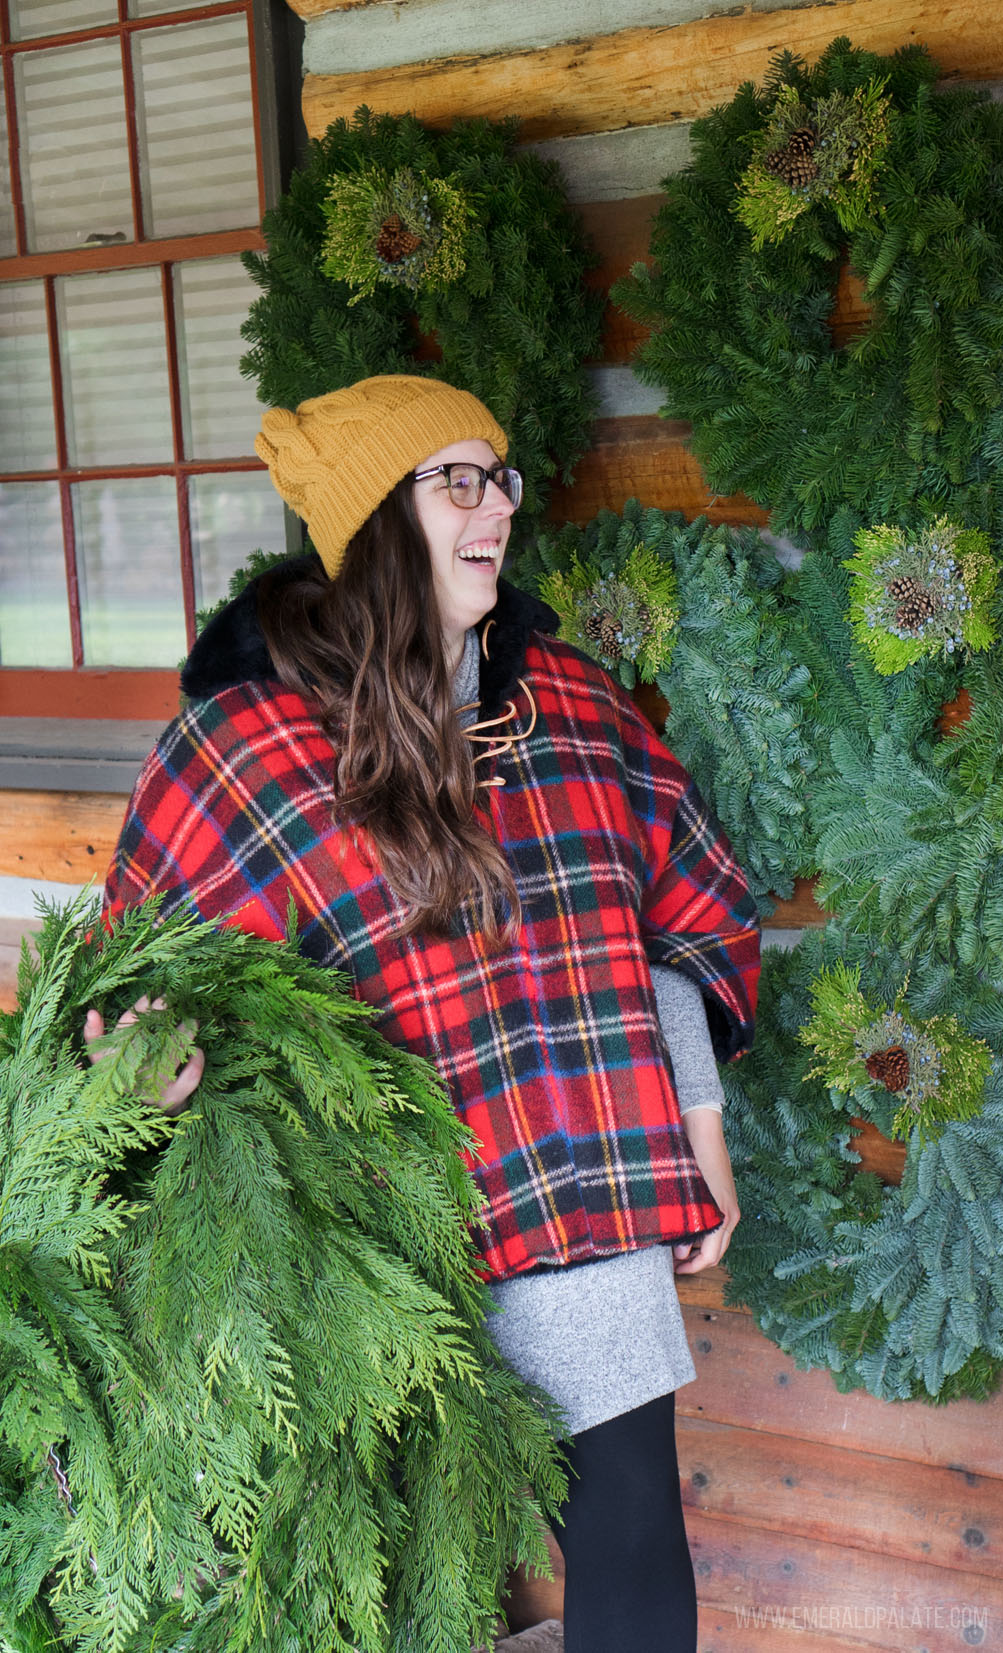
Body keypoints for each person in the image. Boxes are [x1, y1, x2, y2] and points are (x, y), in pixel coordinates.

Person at [99, 374, 760, 1653]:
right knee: (401, 1583)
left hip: (583, 1193)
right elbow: (146, 983)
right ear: (371, 522)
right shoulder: (248, 744)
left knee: (632, 1559)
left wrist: (703, 1127)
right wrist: (149, 1068)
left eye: (498, 476)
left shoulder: (567, 706)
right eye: (453, 479)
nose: (494, 507)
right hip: (378, 1249)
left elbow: (675, 918)